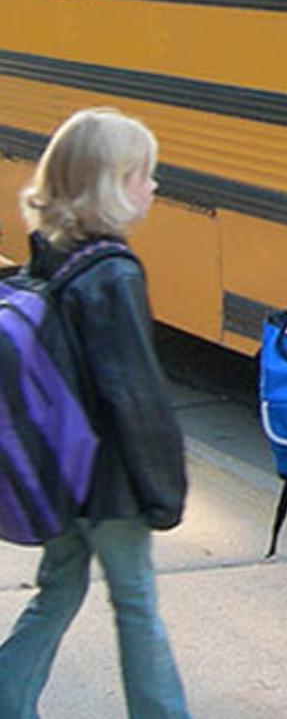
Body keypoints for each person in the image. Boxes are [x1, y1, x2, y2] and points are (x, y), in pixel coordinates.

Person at [0, 108, 190, 718]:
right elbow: (134, 395)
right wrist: (164, 492)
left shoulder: (48, 255)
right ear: (111, 184)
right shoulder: (113, 272)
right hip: (110, 481)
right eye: (143, 174)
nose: (153, 185)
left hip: (55, 469)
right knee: (136, 605)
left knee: (58, 590)